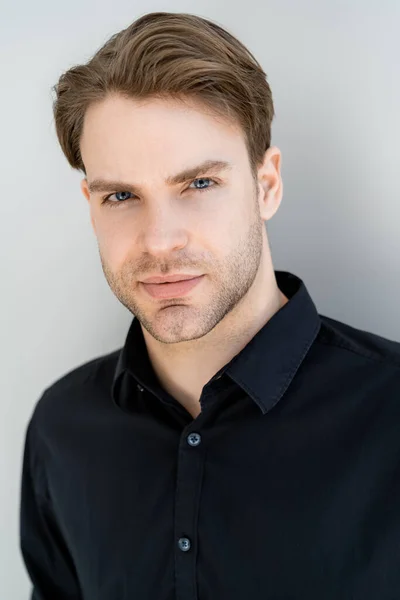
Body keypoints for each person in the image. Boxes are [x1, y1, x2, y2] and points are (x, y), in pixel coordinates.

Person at [19, 11, 400, 600]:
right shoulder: (61, 430)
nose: (160, 240)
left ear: (266, 184)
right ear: (90, 204)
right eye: (121, 195)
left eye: (198, 184)